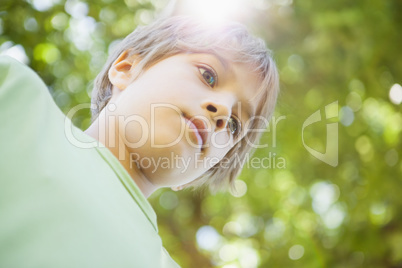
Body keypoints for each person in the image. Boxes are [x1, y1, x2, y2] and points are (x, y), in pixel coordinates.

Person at [0, 16, 279, 267]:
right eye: (208, 75)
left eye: (234, 124)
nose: (223, 112)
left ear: (205, 170)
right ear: (126, 67)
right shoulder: (15, 96)